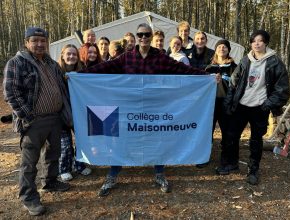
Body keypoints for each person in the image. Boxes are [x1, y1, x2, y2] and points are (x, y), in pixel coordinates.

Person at [80, 23, 209, 197]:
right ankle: (112, 176)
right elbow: (105, 68)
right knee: (122, 141)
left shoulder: (160, 57)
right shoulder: (127, 57)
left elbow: (182, 69)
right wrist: (80, 75)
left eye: (147, 35)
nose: (143, 38)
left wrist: (206, 77)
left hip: (154, 107)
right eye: (140, 35)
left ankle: (159, 173)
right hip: (129, 108)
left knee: (156, 138)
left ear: (150, 36)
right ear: (137, 36)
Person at [3, 27, 71, 216]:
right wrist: (28, 117)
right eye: (35, 41)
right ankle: (29, 197)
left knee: (53, 153)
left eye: (43, 41)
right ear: (27, 42)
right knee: (29, 162)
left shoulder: (51, 63)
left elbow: (61, 85)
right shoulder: (17, 63)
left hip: (55, 118)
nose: (39, 44)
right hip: (33, 121)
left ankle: (50, 181)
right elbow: (11, 93)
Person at [216, 30, 290, 185]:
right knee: (232, 135)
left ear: (266, 43)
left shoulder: (275, 62)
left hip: (260, 107)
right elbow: (233, 84)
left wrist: (268, 104)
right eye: (254, 41)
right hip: (241, 105)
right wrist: (228, 103)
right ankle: (232, 163)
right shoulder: (245, 61)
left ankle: (253, 169)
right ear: (250, 43)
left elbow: (282, 89)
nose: (257, 43)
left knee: (256, 140)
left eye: (260, 40)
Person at [57, 44, 92, 181]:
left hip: (79, 114)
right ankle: (64, 169)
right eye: (68, 54)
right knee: (65, 145)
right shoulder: (56, 72)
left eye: (74, 54)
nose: (71, 56)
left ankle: (80, 166)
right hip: (62, 115)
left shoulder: (82, 71)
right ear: (62, 56)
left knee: (81, 142)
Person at [206, 39, 237, 151]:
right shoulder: (209, 67)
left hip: (226, 102)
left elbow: (237, 86)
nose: (222, 48)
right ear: (215, 50)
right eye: (219, 47)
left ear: (228, 50)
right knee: (208, 129)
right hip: (211, 103)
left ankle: (226, 156)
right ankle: (205, 154)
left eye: (224, 47)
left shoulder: (234, 67)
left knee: (227, 130)